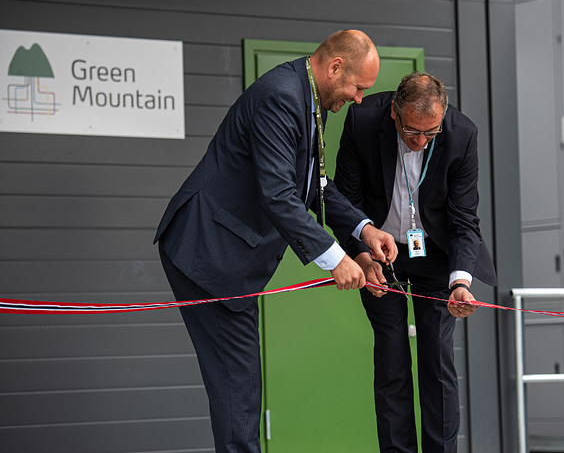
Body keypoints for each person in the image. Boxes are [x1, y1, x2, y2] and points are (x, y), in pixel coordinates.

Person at [153, 29, 398, 453]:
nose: (359, 99)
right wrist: (335, 258)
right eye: (358, 88)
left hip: (222, 251)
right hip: (208, 251)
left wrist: (363, 230)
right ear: (336, 66)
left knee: (241, 389)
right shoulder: (282, 96)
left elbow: (315, 185)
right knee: (239, 388)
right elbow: (278, 194)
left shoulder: (307, 96)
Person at [335, 72, 497, 453]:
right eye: (412, 132)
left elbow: (463, 219)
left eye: (431, 133)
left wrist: (461, 283)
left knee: (437, 361)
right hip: (378, 251)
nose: (421, 142)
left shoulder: (461, 134)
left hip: (436, 253)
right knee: (391, 359)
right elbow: (345, 199)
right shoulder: (362, 121)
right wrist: (360, 254)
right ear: (394, 113)